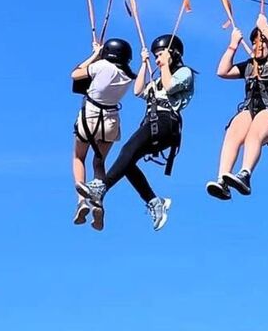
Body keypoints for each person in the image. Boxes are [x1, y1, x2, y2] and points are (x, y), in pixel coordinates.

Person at [76, 34, 194, 231]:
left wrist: (164, 65)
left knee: (127, 151)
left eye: (160, 55)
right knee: (127, 162)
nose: (158, 59)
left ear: (173, 53)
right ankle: (155, 201)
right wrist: (144, 63)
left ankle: (101, 188)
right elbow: (138, 91)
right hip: (153, 123)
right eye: (156, 56)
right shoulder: (157, 80)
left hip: (167, 123)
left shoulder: (184, 72)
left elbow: (170, 86)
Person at [206, 13, 268, 200]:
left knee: (255, 130)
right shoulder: (250, 65)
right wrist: (233, 45)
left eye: (262, 41)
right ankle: (222, 179)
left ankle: (245, 174)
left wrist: (264, 27)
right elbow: (222, 71)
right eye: (254, 42)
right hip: (252, 109)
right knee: (233, 130)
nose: (257, 45)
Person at [71, 38, 136, 231]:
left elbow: (75, 74)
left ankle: (82, 200)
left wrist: (94, 54)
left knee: (79, 157)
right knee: (99, 162)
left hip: (90, 116)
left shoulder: (101, 65)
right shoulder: (127, 76)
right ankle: (98, 201)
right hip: (111, 121)